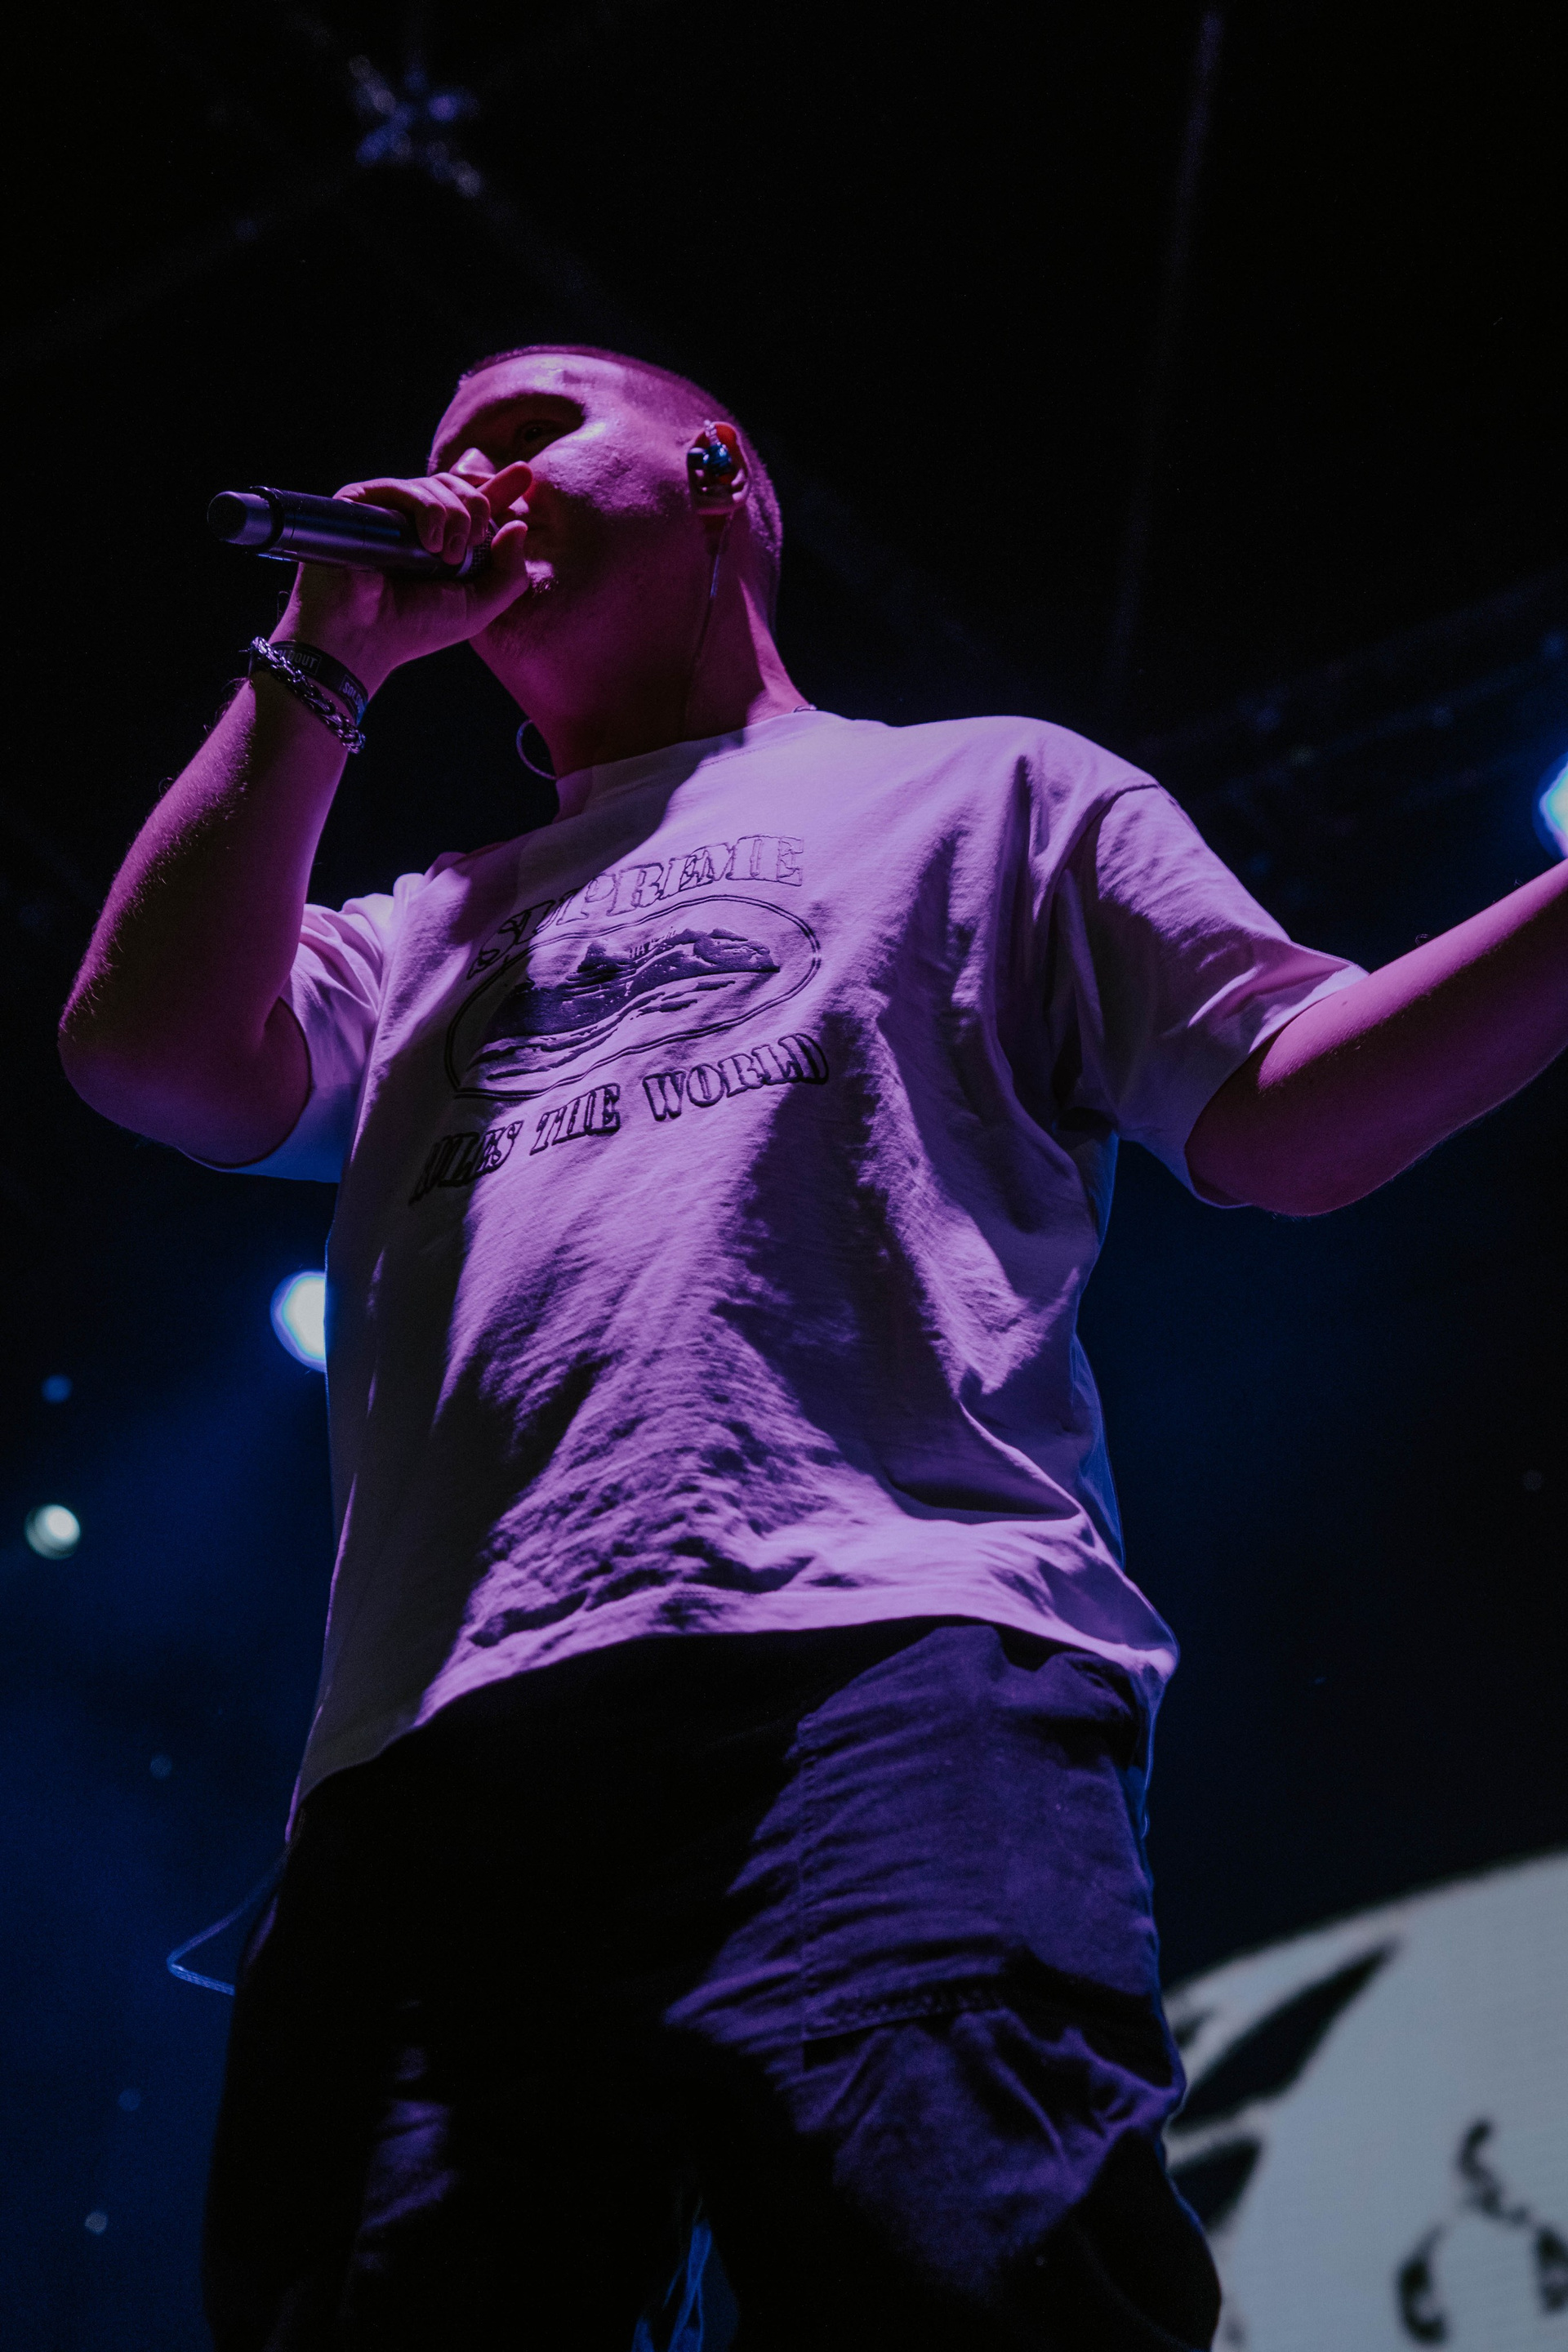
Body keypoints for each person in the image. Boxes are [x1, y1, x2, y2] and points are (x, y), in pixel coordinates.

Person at [59, 345, 1568, 2352]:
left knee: (969, 2286)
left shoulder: (990, 789)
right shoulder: (424, 925)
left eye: (529, 429)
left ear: (719, 478)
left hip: (891, 1669)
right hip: (438, 1745)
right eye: (443, 452)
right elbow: (151, 1055)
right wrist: (321, 653)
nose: (472, 475)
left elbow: (1289, 1113)